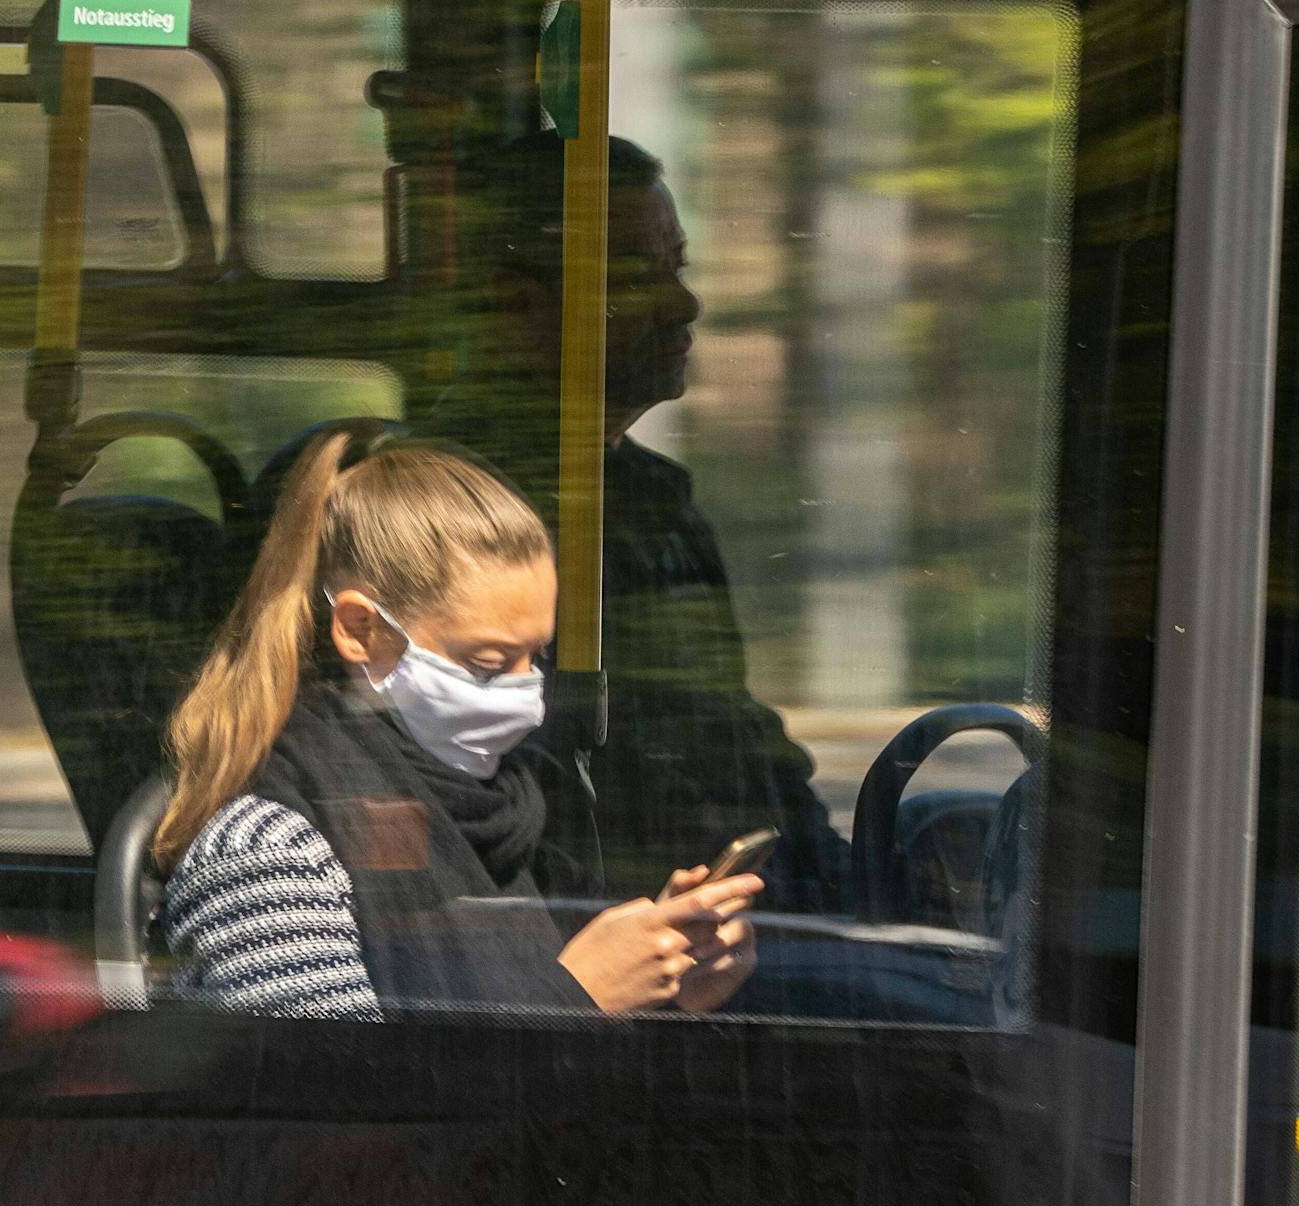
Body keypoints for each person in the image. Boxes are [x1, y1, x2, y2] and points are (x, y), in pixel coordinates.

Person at [152, 424, 762, 1022]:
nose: (530, 695)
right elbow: (331, 1098)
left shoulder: (516, 810)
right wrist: (576, 999)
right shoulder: (272, 848)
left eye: (537, 657)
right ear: (362, 631)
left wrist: (667, 983)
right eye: (488, 663)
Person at [427, 132, 851, 915]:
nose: (684, 304)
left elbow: (736, 743)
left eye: (678, 268)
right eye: (635, 276)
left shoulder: (651, 499)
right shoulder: (454, 516)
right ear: (516, 306)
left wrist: (848, 889)